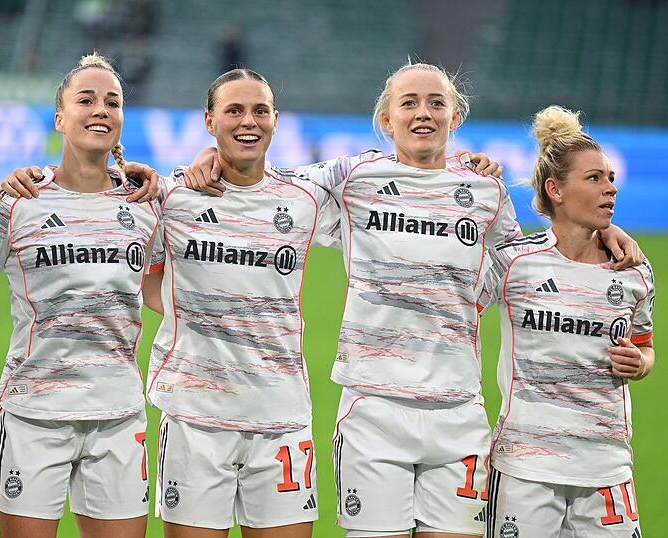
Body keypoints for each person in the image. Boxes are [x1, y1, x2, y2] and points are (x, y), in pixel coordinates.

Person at [183, 62, 642, 538]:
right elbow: (266, 181)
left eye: (436, 103)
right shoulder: (352, 176)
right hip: (373, 409)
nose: (423, 113)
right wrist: (212, 154)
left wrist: (600, 231)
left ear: (454, 117)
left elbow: (521, 265)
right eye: (409, 103)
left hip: (458, 413)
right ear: (387, 120)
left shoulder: (486, 190)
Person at [0, 67, 340, 538]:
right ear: (209, 121)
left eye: (260, 110)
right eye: (234, 110)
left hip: (283, 416)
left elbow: (366, 187)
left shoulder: (305, 199)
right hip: (191, 416)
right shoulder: (169, 197)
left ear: (276, 119)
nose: (248, 121)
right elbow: (146, 280)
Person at [0, 53, 164, 538]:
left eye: (112, 102)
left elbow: (168, 293)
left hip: (118, 413)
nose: (101, 110)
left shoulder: (146, 204)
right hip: (32, 413)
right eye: (86, 100)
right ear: (60, 118)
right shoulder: (18, 201)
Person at [477, 105, 653, 538]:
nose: (610, 188)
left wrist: (641, 362)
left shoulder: (633, 270)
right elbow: (451, 298)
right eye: (594, 178)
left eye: (610, 177)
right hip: (526, 466)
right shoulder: (516, 263)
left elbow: (645, 346)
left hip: (607, 467)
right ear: (555, 189)